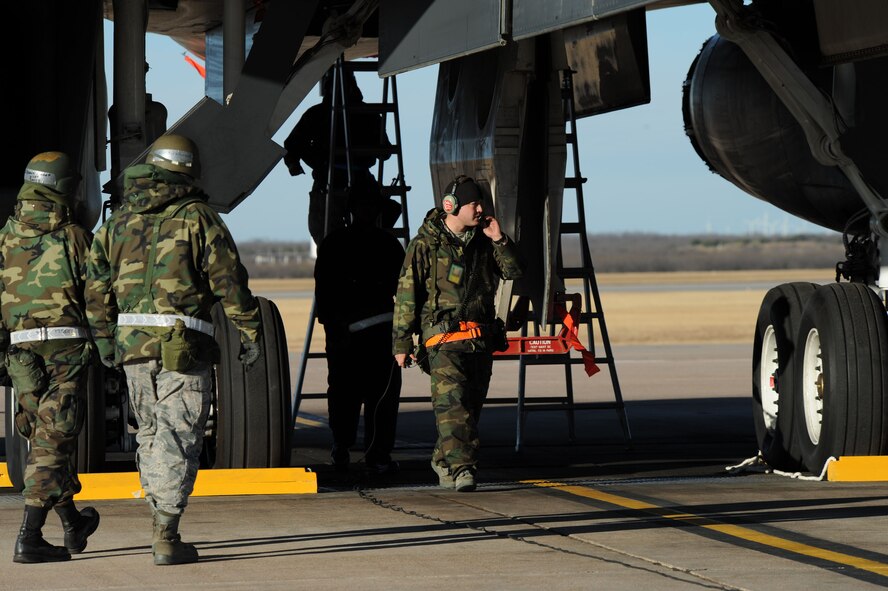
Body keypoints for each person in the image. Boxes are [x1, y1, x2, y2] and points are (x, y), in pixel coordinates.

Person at [85, 134, 261, 565]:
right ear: (189, 170)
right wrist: (250, 331)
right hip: (184, 348)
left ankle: (160, 519)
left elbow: (96, 289)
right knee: (178, 436)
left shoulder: (116, 223)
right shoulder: (199, 217)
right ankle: (166, 533)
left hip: (133, 350)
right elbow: (229, 282)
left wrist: (106, 340)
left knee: (149, 434)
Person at [392, 175, 522, 492]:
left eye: (481, 202)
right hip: (442, 343)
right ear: (452, 206)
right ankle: (464, 469)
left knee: (470, 410)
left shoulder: (483, 243)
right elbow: (407, 296)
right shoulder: (424, 246)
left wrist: (500, 240)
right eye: (474, 203)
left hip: (479, 340)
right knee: (454, 407)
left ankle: (442, 458)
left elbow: (515, 272)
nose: (480, 209)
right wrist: (401, 342)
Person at [0, 151, 100, 563]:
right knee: (52, 439)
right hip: (66, 353)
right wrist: (108, 344)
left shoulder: (5, 237)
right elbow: (97, 297)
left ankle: (73, 523)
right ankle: (29, 537)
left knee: (44, 437)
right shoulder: (75, 237)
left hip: (21, 356)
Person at [314, 193, 405, 475]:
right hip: (358, 334)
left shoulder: (337, 242)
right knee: (357, 396)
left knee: (367, 396)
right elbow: (325, 293)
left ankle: (358, 450)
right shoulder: (384, 243)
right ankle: (362, 451)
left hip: (366, 335)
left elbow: (405, 291)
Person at [283, 69, 392, 244]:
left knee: (325, 235)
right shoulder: (369, 113)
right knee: (370, 239)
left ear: (327, 88)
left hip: (329, 183)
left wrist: (299, 163)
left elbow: (292, 144)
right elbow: (385, 153)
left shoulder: (317, 113)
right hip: (363, 184)